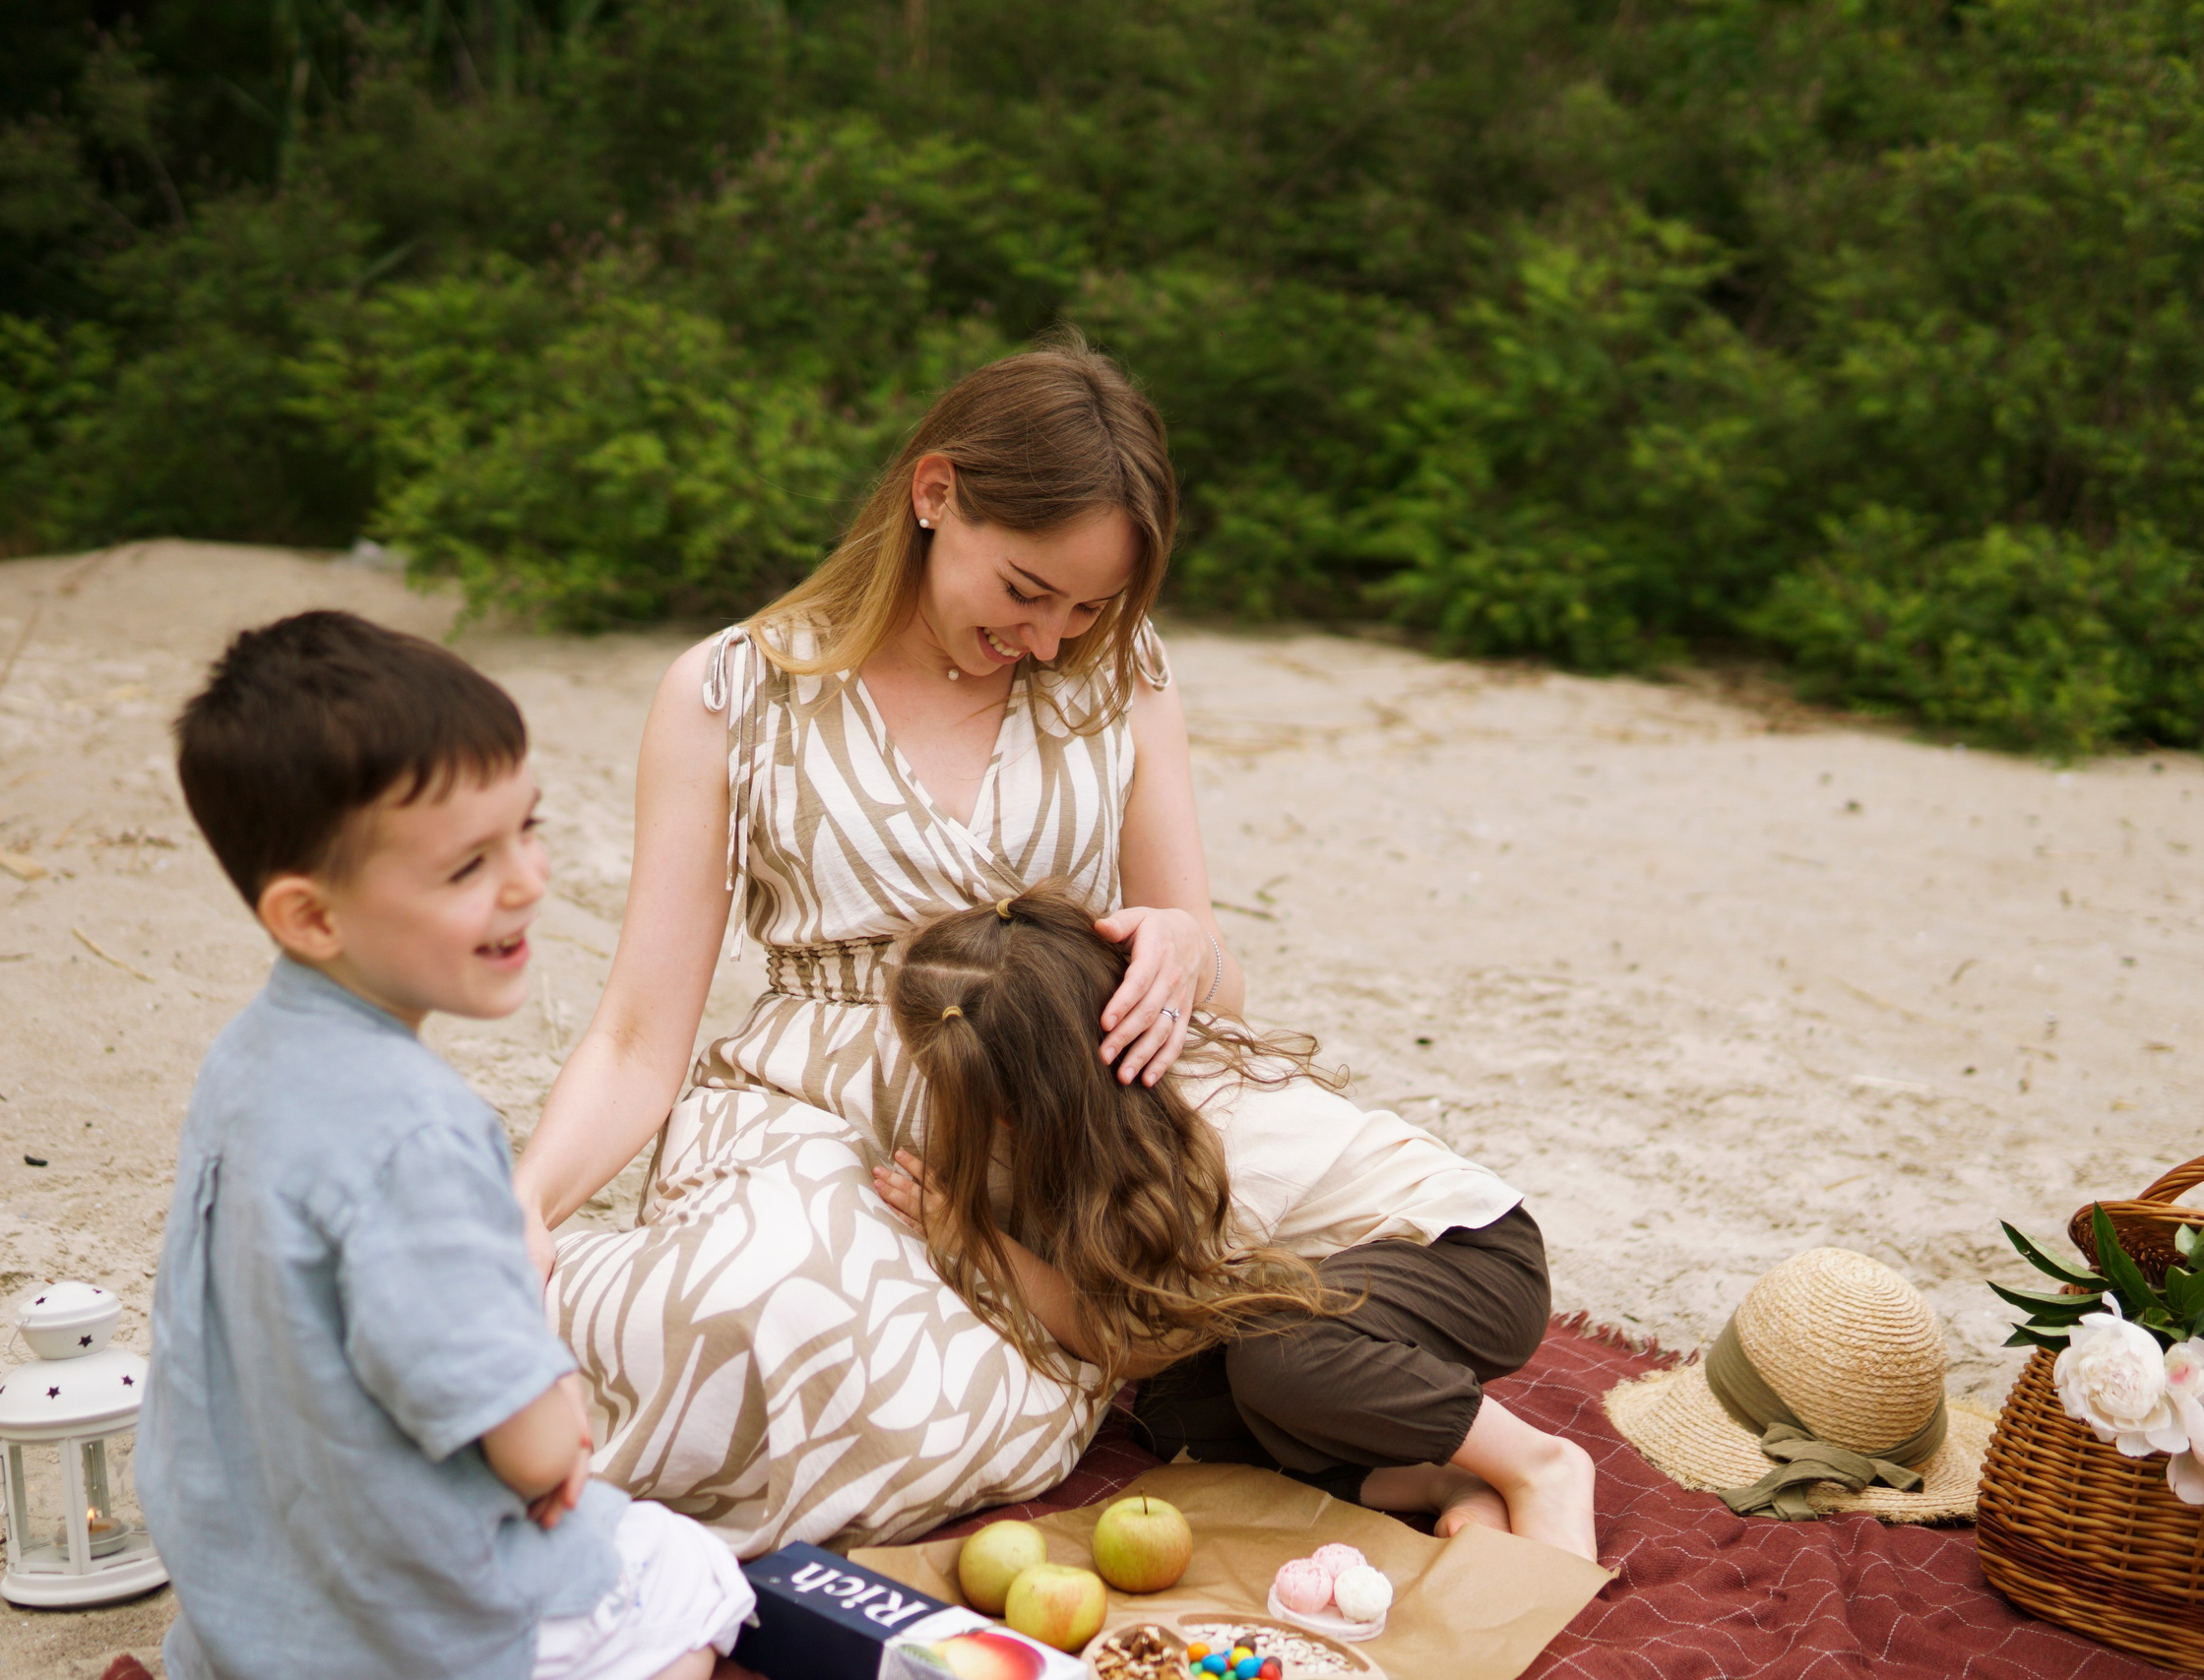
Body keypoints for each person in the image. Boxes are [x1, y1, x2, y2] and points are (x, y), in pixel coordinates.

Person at [514, 334, 1224, 1553]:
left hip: (1034, 1110)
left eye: (1088, 606)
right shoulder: (731, 689)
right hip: (809, 1107)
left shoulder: (1123, 676)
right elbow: (639, 1033)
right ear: (934, 492)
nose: (1053, 639)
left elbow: (1200, 963)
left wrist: (1180, 941)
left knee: (934, 1394)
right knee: (757, 1308)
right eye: (1024, 590)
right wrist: (523, 1209)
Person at [139, 612, 755, 1680]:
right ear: (311, 916)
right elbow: (524, 1444)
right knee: (687, 1578)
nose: (526, 881)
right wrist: (555, 1428)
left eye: (529, 828)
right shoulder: (419, 1131)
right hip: (402, 1621)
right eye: (469, 864)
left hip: (251, 1592)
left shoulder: (243, 1063)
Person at [873, 884, 1600, 1562]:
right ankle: (1441, 1475)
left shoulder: (1212, 1146)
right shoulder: (1114, 1097)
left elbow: (1127, 1340)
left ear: (1006, 1106)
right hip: (1349, 1291)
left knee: (1280, 1358)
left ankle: (1538, 1465)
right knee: (1179, 1414)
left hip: (1476, 1260)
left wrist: (976, 1242)